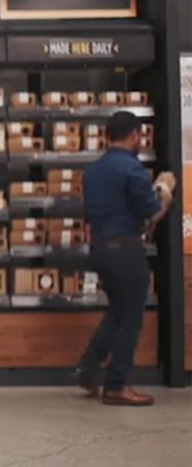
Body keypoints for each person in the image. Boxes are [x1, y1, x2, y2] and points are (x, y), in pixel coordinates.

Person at [77, 111, 173, 406]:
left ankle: (88, 370)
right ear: (134, 135)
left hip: (101, 249)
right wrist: (165, 194)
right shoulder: (132, 170)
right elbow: (150, 214)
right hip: (126, 251)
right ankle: (117, 385)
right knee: (130, 318)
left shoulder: (93, 170)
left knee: (117, 311)